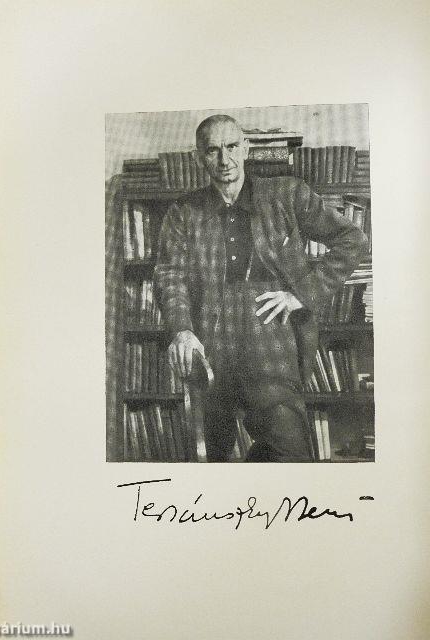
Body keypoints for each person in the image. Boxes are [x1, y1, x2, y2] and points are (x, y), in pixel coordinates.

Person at [154, 115, 367, 462]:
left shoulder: (286, 194)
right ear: (198, 157)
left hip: (272, 339)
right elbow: (170, 274)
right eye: (212, 150)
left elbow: (352, 239)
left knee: (290, 455)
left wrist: (301, 295)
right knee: (213, 460)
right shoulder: (184, 211)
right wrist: (182, 330)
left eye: (231, 147)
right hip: (210, 343)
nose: (224, 159)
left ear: (246, 148)